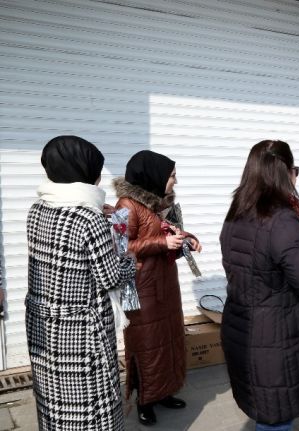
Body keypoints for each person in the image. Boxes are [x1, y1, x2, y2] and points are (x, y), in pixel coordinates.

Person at [220, 140, 299, 431]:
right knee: (275, 417)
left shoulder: (237, 212)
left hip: (241, 326)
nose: (296, 177)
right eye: (294, 170)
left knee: (263, 408)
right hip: (272, 336)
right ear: (284, 172)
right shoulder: (281, 218)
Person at [26, 136, 136, 430]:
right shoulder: (89, 218)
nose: (99, 179)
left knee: (56, 406)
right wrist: (130, 261)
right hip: (82, 331)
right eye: (96, 172)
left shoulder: (37, 209)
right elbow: (110, 277)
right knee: (92, 409)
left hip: (44, 325)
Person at [114, 150, 201, 426]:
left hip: (166, 286)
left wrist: (187, 239)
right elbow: (120, 247)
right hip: (141, 289)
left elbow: (169, 232)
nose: (175, 181)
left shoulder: (160, 203)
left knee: (169, 339)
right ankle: (145, 400)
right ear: (154, 175)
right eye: (172, 175)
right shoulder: (126, 205)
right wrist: (161, 244)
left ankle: (164, 391)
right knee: (147, 344)